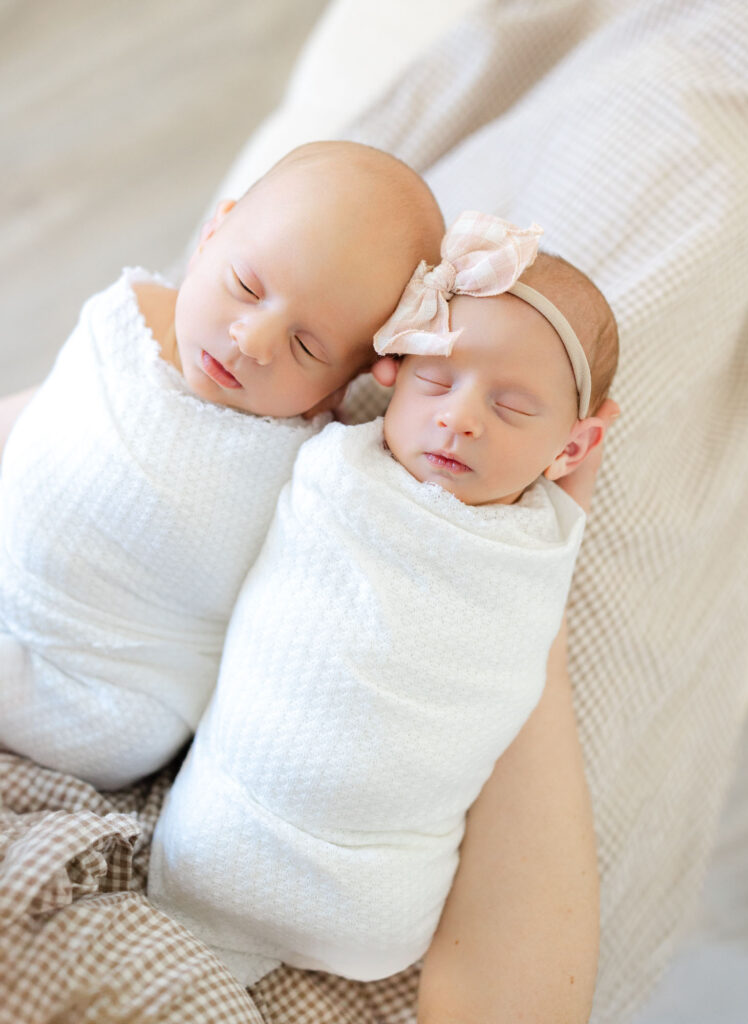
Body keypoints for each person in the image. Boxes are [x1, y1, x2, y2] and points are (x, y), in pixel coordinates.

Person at [147, 213, 619, 996]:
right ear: (393, 371)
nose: (459, 418)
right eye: (438, 379)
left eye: (511, 409)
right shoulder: (331, 453)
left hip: (374, 892)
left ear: (570, 448)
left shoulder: (543, 540)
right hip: (224, 821)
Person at [0, 140, 445, 790]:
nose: (253, 342)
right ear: (212, 231)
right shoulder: (126, 316)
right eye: (246, 286)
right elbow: (46, 418)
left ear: (345, 385)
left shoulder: (311, 463)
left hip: (105, 701)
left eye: (306, 346)